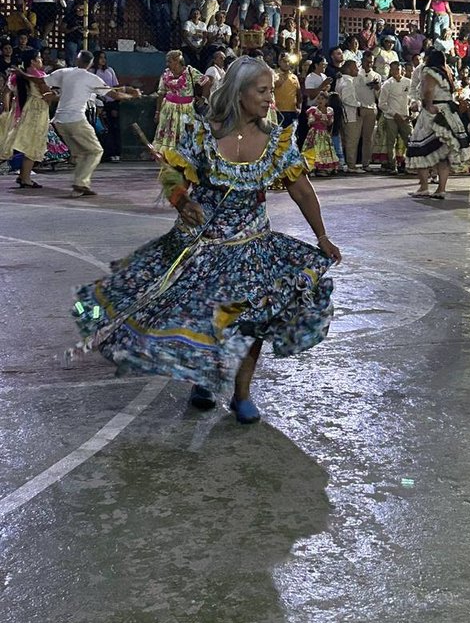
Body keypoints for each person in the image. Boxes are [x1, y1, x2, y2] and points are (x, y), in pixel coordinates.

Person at [72, 57, 341, 422]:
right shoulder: (203, 135)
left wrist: (322, 235)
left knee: (253, 320)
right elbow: (171, 176)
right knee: (210, 318)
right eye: (262, 91)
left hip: (254, 246)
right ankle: (205, 375)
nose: (269, 99)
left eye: (270, 91)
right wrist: (181, 200)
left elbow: (302, 190)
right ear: (238, 93)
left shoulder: (277, 141)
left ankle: (242, 395)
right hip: (204, 247)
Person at [43, 51, 139, 196]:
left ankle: (82, 184)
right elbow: (115, 95)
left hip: (59, 122)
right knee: (95, 151)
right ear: (90, 63)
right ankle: (80, 184)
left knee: (82, 154)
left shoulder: (64, 72)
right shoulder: (92, 78)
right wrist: (133, 95)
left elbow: (43, 81)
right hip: (75, 120)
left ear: (77, 60)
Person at [405, 49, 470, 199]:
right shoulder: (446, 72)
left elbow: (428, 90)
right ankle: (441, 189)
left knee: (420, 148)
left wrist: (427, 105)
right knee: (443, 153)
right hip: (448, 111)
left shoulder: (429, 71)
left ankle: (424, 187)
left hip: (433, 112)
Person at [0, 49, 58, 188]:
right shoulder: (38, 77)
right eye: (39, 58)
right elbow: (47, 96)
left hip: (25, 111)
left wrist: (8, 109)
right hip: (37, 112)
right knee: (33, 144)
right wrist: (63, 95)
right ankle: (25, 178)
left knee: (27, 144)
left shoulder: (19, 76)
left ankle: (23, 176)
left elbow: (6, 91)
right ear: (33, 61)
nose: (41, 61)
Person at [153, 49, 210, 152]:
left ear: (177, 61)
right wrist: (157, 112)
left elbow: (206, 81)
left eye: (169, 61)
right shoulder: (166, 75)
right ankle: (168, 156)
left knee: (186, 134)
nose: (167, 64)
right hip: (168, 110)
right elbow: (161, 93)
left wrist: (203, 98)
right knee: (168, 135)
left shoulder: (190, 72)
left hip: (186, 110)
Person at [379, 61, 412, 174]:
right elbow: (382, 103)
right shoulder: (387, 84)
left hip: (405, 116)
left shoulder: (408, 82)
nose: (396, 71)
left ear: (402, 69)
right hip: (391, 117)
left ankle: (410, 165)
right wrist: (394, 114)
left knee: (410, 141)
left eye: (398, 69)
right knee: (391, 142)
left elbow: (413, 99)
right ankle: (393, 166)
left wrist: (412, 113)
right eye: (393, 69)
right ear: (390, 70)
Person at [303, 90, 341, 175]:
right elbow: (310, 122)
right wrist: (318, 121)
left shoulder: (329, 110)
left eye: (322, 99)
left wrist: (326, 122)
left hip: (324, 134)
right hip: (314, 134)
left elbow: (330, 122)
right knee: (313, 150)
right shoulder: (313, 110)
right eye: (318, 99)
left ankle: (322, 169)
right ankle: (311, 168)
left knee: (324, 150)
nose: (320, 101)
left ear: (326, 100)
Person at [274, 50, 302, 128]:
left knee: (290, 136)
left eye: (288, 61)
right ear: (279, 62)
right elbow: (276, 85)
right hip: (278, 111)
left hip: (292, 111)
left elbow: (299, 94)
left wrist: (299, 108)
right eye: (284, 61)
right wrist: (284, 76)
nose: (286, 64)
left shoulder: (294, 77)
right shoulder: (274, 74)